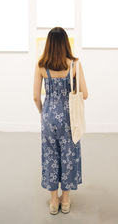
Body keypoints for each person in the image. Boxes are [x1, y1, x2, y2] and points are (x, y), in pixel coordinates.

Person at [33, 27, 88, 214]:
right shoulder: (74, 65)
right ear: (66, 43)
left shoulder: (41, 65)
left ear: (48, 44)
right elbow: (85, 94)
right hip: (69, 117)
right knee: (69, 155)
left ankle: (53, 201)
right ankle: (65, 200)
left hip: (49, 116)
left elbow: (35, 97)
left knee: (50, 156)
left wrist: (44, 113)